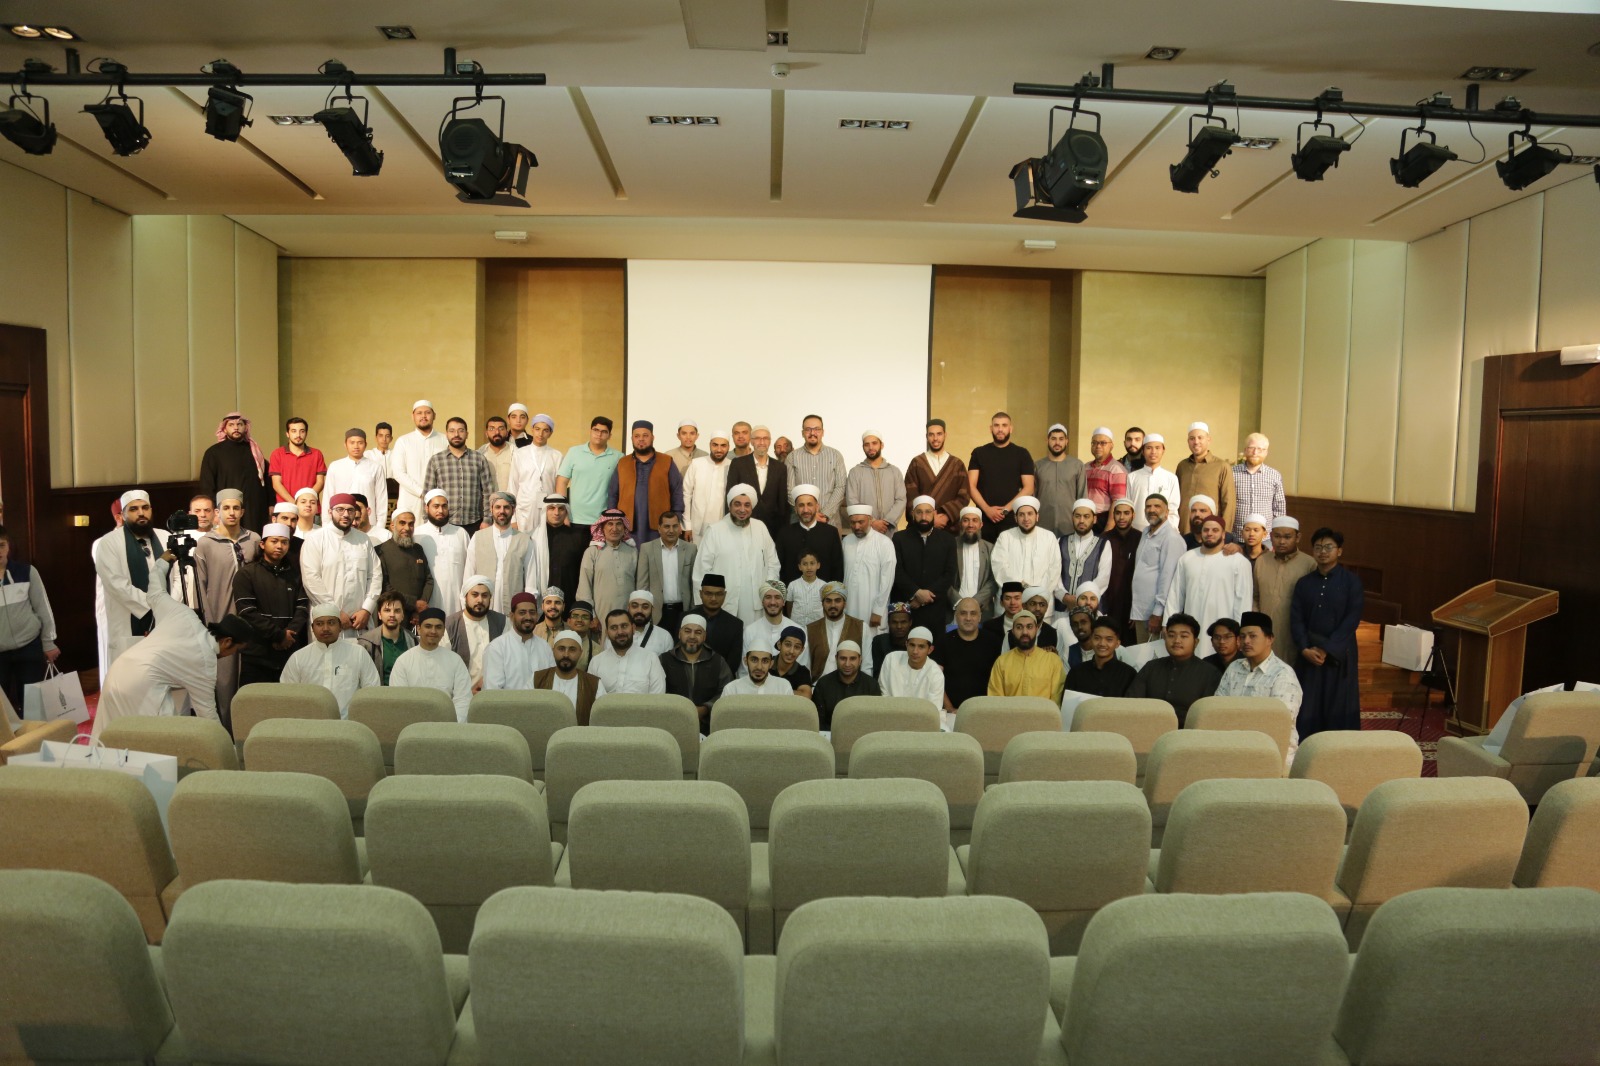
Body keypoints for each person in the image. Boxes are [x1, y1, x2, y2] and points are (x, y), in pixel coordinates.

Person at [92, 555, 253, 740]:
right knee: (154, 743)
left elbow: (156, 592)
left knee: (107, 740)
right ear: (227, 641)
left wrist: (162, 563)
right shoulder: (205, 661)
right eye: (236, 650)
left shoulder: (184, 614)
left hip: (117, 671)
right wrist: (225, 746)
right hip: (142, 686)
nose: (232, 655)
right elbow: (207, 713)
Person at [92, 489, 171, 684]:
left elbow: (179, 578)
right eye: (134, 509)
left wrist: (170, 604)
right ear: (123, 514)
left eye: (145, 508)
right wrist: (154, 604)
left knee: (165, 678)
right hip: (129, 620)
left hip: (167, 618)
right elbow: (116, 583)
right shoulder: (109, 542)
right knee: (131, 681)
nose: (141, 513)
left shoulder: (165, 537)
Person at [1291, 528, 1364, 738]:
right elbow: (1296, 619)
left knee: (1339, 707)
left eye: (1328, 547)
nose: (1323, 552)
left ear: (1339, 551)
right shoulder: (1304, 583)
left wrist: (1327, 649)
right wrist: (1304, 648)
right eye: (1318, 547)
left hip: (1339, 655)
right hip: (1309, 655)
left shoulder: (1351, 582)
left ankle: (1338, 752)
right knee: (1308, 706)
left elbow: (1352, 619)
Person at [1218, 611, 1304, 766]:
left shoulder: (1282, 674)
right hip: (1234, 750)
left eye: (1252, 636)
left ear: (1270, 639)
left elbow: (1280, 721)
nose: (1246, 641)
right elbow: (1218, 708)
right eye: (1242, 636)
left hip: (1273, 755)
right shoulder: (1234, 668)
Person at [231, 522, 306, 687]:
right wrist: (278, 635)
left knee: (289, 700)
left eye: (284, 542)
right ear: (262, 544)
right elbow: (247, 611)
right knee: (255, 700)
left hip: (290, 652)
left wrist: (289, 635)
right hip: (256, 655)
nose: (279, 546)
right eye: (274, 541)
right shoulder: (246, 574)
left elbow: (302, 608)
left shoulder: (296, 575)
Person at [298, 492, 382, 640]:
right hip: (326, 619)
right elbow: (311, 580)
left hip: (359, 622)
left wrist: (367, 609)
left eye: (350, 510)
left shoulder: (363, 540)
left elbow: (375, 575)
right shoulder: (315, 539)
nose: (346, 514)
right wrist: (334, 611)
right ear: (330, 512)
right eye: (340, 510)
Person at [691, 485, 780, 623]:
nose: (742, 509)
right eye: (737, 504)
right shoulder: (715, 531)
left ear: (752, 507)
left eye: (747, 505)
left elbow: (773, 563)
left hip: (755, 603)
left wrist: (768, 592)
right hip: (723, 605)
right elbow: (701, 570)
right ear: (730, 506)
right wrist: (704, 605)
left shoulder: (760, 527)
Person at [1168, 515, 1254, 656]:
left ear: (1223, 534)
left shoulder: (1239, 562)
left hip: (1224, 635)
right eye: (1206, 530)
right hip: (1191, 629)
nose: (1210, 533)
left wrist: (1240, 633)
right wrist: (1168, 624)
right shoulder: (1187, 558)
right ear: (1201, 533)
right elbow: (1176, 594)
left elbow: (1243, 601)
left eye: (1215, 530)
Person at [279, 603, 381, 716]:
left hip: (348, 724)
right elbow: (287, 697)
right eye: (319, 624)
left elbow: (372, 692)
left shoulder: (358, 653)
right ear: (312, 628)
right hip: (309, 724)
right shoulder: (298, 658)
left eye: (331, 623)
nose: (325, 628)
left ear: (340, 626)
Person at [0, 524, 59, 710]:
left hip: (28, 647)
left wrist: (49, 643)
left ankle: (33, 729)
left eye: (1, 545)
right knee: (2, 710)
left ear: (8, 546)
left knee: (32, 706)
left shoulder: (27, 572)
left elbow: (43, 608)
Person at [1126, 612, 1222, 725]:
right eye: (1171, 635)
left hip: (1188, 732)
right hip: (1148, 728)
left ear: (1195, 642)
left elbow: (1208, 715)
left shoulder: (1210, 673)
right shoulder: (1151, 667)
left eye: (1184, 636)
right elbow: (1132, 702)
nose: (1177, 640)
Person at [605, 420, 684, 546]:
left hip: (659, 526)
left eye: (645, 435)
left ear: (652, 437)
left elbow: (677, 492)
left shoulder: (666, 461)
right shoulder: (623, 463)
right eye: (637, 436)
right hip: (628, 527)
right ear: (632, 439)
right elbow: (613, 493)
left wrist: (676, 518)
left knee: (656, 557)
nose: (641, 439)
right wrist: (613, 519)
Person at [389, 608, 473, 720]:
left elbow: (463, 700)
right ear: (419, 629)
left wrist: (452, 725)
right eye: (428, 626)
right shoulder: (403, 661)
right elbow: (398, 701)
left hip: (447, 725)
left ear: (444, 631)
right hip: (412, 725)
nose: (433, 631)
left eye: (438, 627)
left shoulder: (455, 661)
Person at [892, 496, 957, 635]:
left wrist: (923, 598)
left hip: (935, 607)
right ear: (912, 514)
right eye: (919, 512)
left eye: (928, 512)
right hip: (908, 607)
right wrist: (915, 593)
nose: (923, 517)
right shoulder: (899, 538)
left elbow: (949, 574)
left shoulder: (948, 540)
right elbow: (897, 571)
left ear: (934, 514)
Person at [1255, 516, 1316, 665]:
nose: (1282, 541)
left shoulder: (1309, 564)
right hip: (1264, 632)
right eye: (1277, 536)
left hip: (1293, 633)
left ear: (1298, 537)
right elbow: (1255, 596)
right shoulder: (1262, 561)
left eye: (1287, 537)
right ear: (1270, 537)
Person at [1128, 493, 1187, 646]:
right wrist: (1136, 610)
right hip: (1142, 611)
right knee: (1141, 656)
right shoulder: (1146, 533)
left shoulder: (1171, 538)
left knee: (1155, 656)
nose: (1152, 510)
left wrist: (1158, 613)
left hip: (1155, 614)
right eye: (1148, 506)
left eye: (1157, 506)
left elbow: (1167, 577)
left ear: (1167, 512)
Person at [967, 412, 1035, 543]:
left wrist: (1005, 510)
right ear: (991, 428)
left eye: (1004, 425)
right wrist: (987, 510)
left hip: (1012, 518)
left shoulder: (1022, 454)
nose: (1000, 429)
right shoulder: (979, 453)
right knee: (984, 555)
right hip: (984, 518)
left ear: (1011, 428)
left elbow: (1029, 488)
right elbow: (970, 485)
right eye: (996, 425)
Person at [661, 614, 733, 734]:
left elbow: (727, 691)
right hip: (672, 726)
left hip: (710, 728)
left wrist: (705, 708)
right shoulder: (664, 660)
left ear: (704, 637)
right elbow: (658, 692)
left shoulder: (718, 661)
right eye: (687, 631)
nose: (692, 636)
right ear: (679, 634)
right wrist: (680, 709)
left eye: (698, 632)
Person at [199, 412, 270, 534]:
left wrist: (271, 504)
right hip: (227, 510)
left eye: (240, 424)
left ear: (245, 427)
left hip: (254, 509)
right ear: (224, 429)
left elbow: (266, 479)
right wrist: (214, 511)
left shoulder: (254, 451)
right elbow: (207, 485)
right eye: (231, 425)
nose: (236, 428)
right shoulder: (213, 453)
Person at [423, 416, 495, 532]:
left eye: (461, 431)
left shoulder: (479, 459)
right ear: (446, 434)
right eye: (452, 431)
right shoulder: (436, 460)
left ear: (467, 434)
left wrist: (487, 520)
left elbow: (488, 492)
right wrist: (428, 522)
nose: (456, 434)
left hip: (475, 523)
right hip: (445, 523)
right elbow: (428, 493)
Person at [991, 497, 1065, 608]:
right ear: (1015, 518)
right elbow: (999, 567)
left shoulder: (1049, 537)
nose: (1026, 518)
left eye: (1030, 514)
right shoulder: (1005, 537)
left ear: (1037, 516)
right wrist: (1019, 590)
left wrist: (1036, 593)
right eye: (1021, 515)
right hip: (1011, 603)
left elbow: (1054, 568)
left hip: (1040, 603)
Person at [466, 491, 533, 615]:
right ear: (491, 510)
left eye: (506, 507)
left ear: (513, 510)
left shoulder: (524, 540)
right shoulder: (477, 537)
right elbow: (469, 575)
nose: (502, 511)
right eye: (498, 507)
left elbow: (531, 580)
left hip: (513, 611)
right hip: (482, 609)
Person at [933, 597, 1002, 713]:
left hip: (986, 711)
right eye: (963, 613)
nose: (968, 618)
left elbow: (999, 680)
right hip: (951, 712)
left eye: (973, 613)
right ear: (956, 616)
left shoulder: (993, 642)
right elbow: (935, 680)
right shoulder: (943, 642)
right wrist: (949, 708)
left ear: (980, 617)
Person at [842, 505, 897, 644]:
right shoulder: (846, 541)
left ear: (870, 520)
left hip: (872, 609)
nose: (857, 526)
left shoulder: (884, 543)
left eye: (861, 522)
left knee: (873, 645)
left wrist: (878, 611)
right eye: (853, 522)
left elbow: (887, 579)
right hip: (850, 608)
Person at [555, 416, 623, 527]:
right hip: (574, 518)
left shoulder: (618, 457)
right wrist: (564, 513)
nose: (599, 434)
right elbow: (561, 481)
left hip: (603, 520)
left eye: (604, 432)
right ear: (590, 431)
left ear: (610, 435)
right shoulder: (574, 452)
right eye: (596, 430)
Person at [482, 592, 558, 689]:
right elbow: (492, 690)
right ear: (512, 616)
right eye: (522, 612)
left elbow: (551, 684)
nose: (528, 617)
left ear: (537, 616)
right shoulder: (497, 648)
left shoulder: (544, 647)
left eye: (532, 612)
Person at [903, 419, 969, 531]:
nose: (935, 438)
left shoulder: (957, 464)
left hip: (948, 528)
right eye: (931, 434)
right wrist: (930, 519)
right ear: (926, 436)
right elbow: (910, 495)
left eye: (939, 434)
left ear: (945, 435)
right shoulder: (917, 463)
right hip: (921, 527)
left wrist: (946, 516)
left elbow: (964, 495)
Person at [391, 400, 448, 527]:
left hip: (438, 502)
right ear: (413, 416)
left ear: (434, 415)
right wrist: (422, 492)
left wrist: (434, 495)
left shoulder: (444, 440)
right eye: (419, 413)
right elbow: (398, 473)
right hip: (411, 500)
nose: (423, 416)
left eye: (427, 413)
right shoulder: (403, 441)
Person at [785, 415, 848, 529]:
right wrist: (808, 513)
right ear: (802, 433)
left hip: (830, 522)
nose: (812, 433)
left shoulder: (835, 455)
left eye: (817, 429)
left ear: (823, 432)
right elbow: (790, 490)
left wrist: (825, 514)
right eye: (808, 429)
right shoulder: (792, 457)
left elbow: (841, 486)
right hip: (800, 523)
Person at [415, 489, 473, 613]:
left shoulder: (461, 533)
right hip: (427, 603)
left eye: (444, 506)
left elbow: (470, 569)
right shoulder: (417, 534)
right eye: (436, 506)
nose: (440, 511)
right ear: (426, 508)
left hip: (457, 603)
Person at [726, 425, 789, 540]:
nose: (762, 442)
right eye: (758, 438)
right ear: (751, 441)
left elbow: (782, 503)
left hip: (772, 528)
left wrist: (783, 531)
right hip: (743, 524)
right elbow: (730, 496)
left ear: (770, 441)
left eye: (765, 438)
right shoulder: (738, 464)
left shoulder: (780, 468)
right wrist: (729, 524)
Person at [578, 508, 639, 623]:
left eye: (619, 524)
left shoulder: (632, 551)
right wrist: (592, 616)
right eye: (610, 524)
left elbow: (639, 584)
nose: (614, 529)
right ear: (602, 527)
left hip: (629, 615)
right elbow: (584, 587)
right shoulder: (592, 552)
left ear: (624, 527)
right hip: (600, 616)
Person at [987, 611, 1065, 700]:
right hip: (1010, 710)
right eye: (1019, 627)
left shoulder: (1052, 661)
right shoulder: (1002, 662)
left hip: (1044, 710)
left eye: (1029, 627)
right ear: (1013, 631)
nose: (1024, 632)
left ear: (1036, 629)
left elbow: (1057, 700)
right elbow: (995, 699)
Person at [774, 484, 844, 584]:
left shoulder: (831, 533)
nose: (805, 510)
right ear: (795, 509)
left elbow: (837, 569)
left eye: (809, 504)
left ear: (817, 507)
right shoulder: (784, 533)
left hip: (824, 592)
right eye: (801, 505)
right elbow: (779, 568)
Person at [322, 428, 389, 533]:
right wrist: (327, 525)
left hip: (368, 523)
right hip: (341, 522)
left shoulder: (375, 467)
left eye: (360, 443)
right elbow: (328, 497)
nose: (356, 446)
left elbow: (381, 499)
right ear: (345, 444)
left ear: (365, 445)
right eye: (352, 442)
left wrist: (379, 527)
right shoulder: (335, 466)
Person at [639, 510, 696, 631]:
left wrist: (692, 611)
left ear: (680, 528)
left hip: (683, 612)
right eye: (666, 526)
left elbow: (694, 584)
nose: (671, 530)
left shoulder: (691, 549)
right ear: (659, 528)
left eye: (675, 526)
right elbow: (642, 585)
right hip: (656, 613)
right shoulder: (647, 549)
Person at [445, 576, 505, 689]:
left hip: (497, 692)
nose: (480, 600)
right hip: (461, 693)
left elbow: (511, 660)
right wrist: (466, 692)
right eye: (475, 595)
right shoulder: (449, 625)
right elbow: (443, 666)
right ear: (465, 597)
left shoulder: (503, 623)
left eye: (485, 595)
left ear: (490, 598)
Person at [588, 609, 667, 694]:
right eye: (614, 628)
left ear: (633, 628)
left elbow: (658, 697)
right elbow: (591, 695)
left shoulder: (651, 659)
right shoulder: (596, 662)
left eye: (624, 626)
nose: (620, 632)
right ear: (607, 632)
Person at [1175, 421, 1235, 535]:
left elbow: (1228, 503)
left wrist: (1225, 533)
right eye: (1192, 438)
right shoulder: (1182, 466)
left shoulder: (1221, 466)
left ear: (1208, 440)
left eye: (1200, 437)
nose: (1196, 442)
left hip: (1210, 532)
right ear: (1188, 441)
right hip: (1183, 529)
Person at [375, 510, 434, 625]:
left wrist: (421, 606)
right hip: (392, 615)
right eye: (402, 523)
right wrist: (413, 604)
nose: (407, 528)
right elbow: (384, 585)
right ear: (392, 526)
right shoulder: (381, 550)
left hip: (416, 617)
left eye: (411, 524)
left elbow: (428, 580)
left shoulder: (418, 549)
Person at [530, 494, 590, 604]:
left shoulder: (578, 538)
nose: (556, 513)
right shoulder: (533, 537)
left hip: (570, 596)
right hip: (542, 599)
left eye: (561, 509)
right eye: (551, 508)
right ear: (545, 511)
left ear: (566, 511)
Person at [536, 630, 605, 724]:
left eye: (572, 650)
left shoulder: (594, 684)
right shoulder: (537, 679)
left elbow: (602, 719)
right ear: (553, 650)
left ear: (580, 653)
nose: (566, 654)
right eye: (561, 649)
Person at [846, 431, 906, 535]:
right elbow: (852, 501)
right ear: (863, 447)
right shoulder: (855, 472)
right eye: (867, 444)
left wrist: (886, 522)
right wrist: (872, 522)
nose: (870, 447)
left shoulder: (894, 471)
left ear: (881, 445)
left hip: (889, 530)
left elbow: (901, 499)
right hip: (865, 530)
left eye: (874, 443)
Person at [509, 413, 562, 530]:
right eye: (537, 429)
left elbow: (558, 487)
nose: (540, 434)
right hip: (524, 511)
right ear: (532, 430)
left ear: (550, 433)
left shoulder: (556, 455)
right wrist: (513, 519)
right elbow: (512, 486)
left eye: (545, 430)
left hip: (548, 510)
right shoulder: (520, 453)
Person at [1034, 423, 1088, 538]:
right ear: (1047, 440)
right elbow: (1033, 497)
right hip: (1043, 525)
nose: (1057, 443)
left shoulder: (1077, 465)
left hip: (1069, 525)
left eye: (1061, 439)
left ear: (1066, 441)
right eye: (1053, 439)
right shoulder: (1038, 466)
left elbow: (1082, 497)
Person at [810, 640, 879, 729]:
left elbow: (875, 720)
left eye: (852, 659)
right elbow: (818, 721)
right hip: (830, 734)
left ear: (860, 660)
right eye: (843, 658)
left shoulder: (871, 685)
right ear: (836, 659)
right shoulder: (823, 684)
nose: (847, 664)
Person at [877, 625, 945, 710]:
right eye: (912, 645)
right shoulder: (891, 659)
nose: (915, 651)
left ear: (930, 650)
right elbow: (883, 694)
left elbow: (933, 709)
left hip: (921, 717)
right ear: (906, 645)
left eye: (921, 647)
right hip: (890, 712)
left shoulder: (936, 674)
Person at [1065, 617, 1137, 697]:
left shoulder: (1128, 674)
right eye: (1097, 638)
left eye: (1109, 639)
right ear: (1091, 640)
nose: (1102, 643)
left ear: (1117, 644)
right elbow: (1067, 702)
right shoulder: (1076, 673)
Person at [681, 429, 732, 543]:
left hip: (724, 526)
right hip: (697, 526)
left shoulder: (732, 466)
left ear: (729, 447)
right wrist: (687, 526)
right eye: (715, 445)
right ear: (710, 445)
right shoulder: (697, 464)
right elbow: (686, 495)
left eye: (723, 445)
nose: (719, 449)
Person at [1233, 433, 1287, 537]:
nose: (1255, 452)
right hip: (1237, 535)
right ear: (1245, 450)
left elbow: (1279, 508)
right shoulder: (1232, 473)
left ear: (1266, 452)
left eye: (1260, 449)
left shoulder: (1274, 475)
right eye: (1251, 448)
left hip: (1266, 538)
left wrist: (1277, 535)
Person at [949, 506, 996, 619]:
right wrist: (958, 602)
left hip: (982, 609)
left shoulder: (991, 549)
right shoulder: (949, 546)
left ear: (981, 524)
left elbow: (994, 580)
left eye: (975, 520)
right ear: (960, 524)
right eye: (966, 520)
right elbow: (942, 577)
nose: (970, 525)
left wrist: (975, 602)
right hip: (953, 609)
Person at [806, 581, 861, 678]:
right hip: (818, 684)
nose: (833, 605)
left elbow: (867, 665)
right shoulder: (809, 629)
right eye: (828, 601)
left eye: (837, 601)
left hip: (852, 685)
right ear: (822, 604)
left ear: (844, 603)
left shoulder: (861, 627)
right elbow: (805, 664)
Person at [356, 590, 413, 684]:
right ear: (379, 615)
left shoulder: (413, 641)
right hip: (377, 692)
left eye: (397, 611)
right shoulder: (366, 643)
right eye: (387, 610)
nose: (392, 615)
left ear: (403, 615)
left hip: (407, 692)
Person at [1126, 434, 1180, 532]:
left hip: (1163, 533)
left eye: (1157, 448)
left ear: (1163, 450)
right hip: (1136, 532)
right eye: (1149, 448)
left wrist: (1170, 533)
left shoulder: (1171, 478)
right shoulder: (1132, 477)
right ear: (1143, 451)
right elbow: (1128, 507)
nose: (1153, 452)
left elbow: (1173, 510)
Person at [1058, 499, 1109, 603]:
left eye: (1086, 516)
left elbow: (1103, 577)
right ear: (1072, 518)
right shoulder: (1060, 541)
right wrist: (1063, 596)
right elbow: (1054, 574)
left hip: (1089, 606)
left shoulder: (1103, 544)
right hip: (1062, 605)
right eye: (1078, 516)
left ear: (1094, 519)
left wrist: (1084, 599)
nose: (1081, 520)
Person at [268, 417, 327, 507]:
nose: (298, 435)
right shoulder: (277, 454)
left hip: (310, 507)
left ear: (306, 433)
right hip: (285, 508)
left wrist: (306, 502)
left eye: (302, 431)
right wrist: (295, 503)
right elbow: (276, 484)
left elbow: (320, 482)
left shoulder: (316, 454)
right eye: (294, 431)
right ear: (287, 434)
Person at [696, 573, 746, 672]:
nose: (713, 598)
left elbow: (733, 662)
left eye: (719, 594)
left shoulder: (735, 624)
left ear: (725, 595)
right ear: (701, 594)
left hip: (722, 678)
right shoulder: (685, 618)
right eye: (708, 593)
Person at [1083, 427, 1128, 532]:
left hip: (1103, 522)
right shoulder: (1085, 467)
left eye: (1103, 443)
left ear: (1111, 446)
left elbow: (1117, 503)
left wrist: (1108, 530)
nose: (1098, 446)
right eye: (1094, 443)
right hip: (1084, 519)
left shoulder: (1117, 469)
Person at [720, 635, 794, 697]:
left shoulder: (783, 687)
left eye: (765, 661)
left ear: (771, 664)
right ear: (746, 661)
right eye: (754, 660)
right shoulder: (732, 690)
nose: (759, 667)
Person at [744, 580, 798, 663]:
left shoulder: (797, 631)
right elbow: (745, 666)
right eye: (768, 597)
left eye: (777, 597)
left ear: (783, 602)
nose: (772, 602)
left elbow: (801, 665)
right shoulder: (750, 631)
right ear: (762, 602)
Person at [868, 602, 913, 677]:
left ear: (910, 623)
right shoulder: (879, 642)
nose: (899, 626)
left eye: (903, 622)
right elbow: (876, 673)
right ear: (888, 623)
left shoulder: (916, 643)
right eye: (894, 622)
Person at [627, 590, 674, 656]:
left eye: (645, 607)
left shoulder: (664, 637)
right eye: (634, 606)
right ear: (628, 608)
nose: (639, 610)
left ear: (652, 609)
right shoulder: (618, 634)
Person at [786, 550, 826, 627]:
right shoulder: (793, 585)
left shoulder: (824, 586)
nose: (809, 567)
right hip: (797, 625)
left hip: (817, 626)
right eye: (805, 564)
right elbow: (789, 605)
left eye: (812, 563)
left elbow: (826, 606)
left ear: (818, 565)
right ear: (800, 567)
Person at [771, 626, 813, 698]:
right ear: (779, 645)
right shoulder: (767, 663)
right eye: (788, 645)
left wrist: (773, 690)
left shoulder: (803, 672)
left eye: (797, 647)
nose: (791, 651)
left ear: (801, 650)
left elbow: (806, 695)